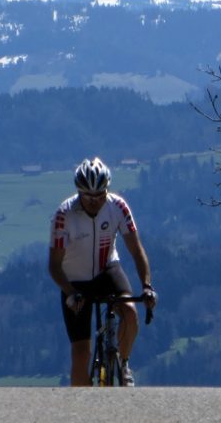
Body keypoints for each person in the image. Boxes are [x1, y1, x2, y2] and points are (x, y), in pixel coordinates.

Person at [49, 157, 157, 386]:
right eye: (89, 197)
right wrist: (69, 292)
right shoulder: (63, 216)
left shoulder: (117, 207)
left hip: (107, 270)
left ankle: (123, 363)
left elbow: (137, 251)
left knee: (129, 312)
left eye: (101, 196)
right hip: (75, 282)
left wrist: (147, 286)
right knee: (80, 355)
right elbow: (54, 266)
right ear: (79, 193)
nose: (96, 202)